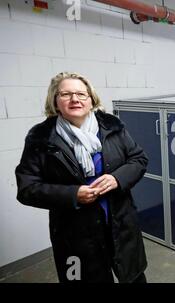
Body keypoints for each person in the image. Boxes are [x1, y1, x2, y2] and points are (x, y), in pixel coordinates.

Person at [15, 72, 149, 283]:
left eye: (81, 94)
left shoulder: (112, 126)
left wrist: (117, 179)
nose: (75, 99)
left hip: (121, 225)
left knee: (133, 278)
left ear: (91, 99)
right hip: (74, 236)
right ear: (55, 101)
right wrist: (72, 194)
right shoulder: (40, 138)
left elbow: (138, 159)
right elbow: (27, 189)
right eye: (66, 94)